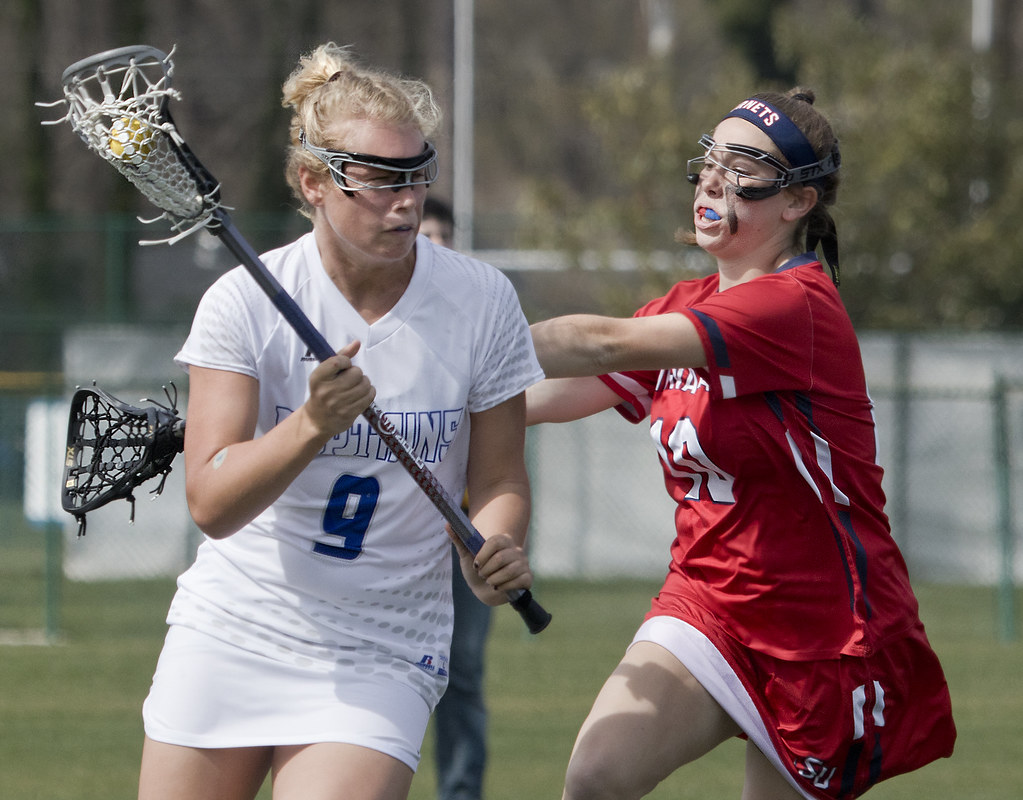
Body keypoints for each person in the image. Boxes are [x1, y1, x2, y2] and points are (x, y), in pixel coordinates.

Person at [137, 42, 544, 800]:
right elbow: (210, 503)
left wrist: (497, 543)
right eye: (381, 179)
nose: (408, 200)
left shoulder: (482, 301)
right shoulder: (244, 302)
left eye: (418, 173)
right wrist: (310, 425)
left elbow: (498, 478)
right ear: (313, 181)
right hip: (235, 625)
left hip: (383, 643)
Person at [527, 88, 955, 800]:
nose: (714, 179)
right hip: (708, 603)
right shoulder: (683, 304)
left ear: (797, 203)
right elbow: (544, 397)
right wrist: (425, 405)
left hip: (821, 633)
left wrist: (460, 333)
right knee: (595, 777)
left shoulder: (794, 306)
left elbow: (595, 342)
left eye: (743, 164)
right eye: (710, 160)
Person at [420, 195, 494, 800]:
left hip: (462, 532)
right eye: (426, 233)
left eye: (444, 234)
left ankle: (461, 792)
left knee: (460, 673)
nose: (434, 244)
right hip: (395, 536)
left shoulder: (476, 322)